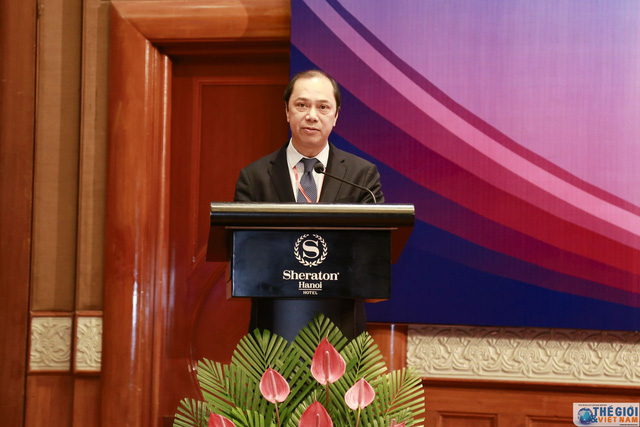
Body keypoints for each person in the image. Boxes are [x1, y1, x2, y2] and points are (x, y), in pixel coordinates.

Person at [234, 69, 384, 340]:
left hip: (342, 333)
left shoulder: (362, 177)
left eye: (323, 107)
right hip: (272, 335)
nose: (312, 115)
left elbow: (371, 259)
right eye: (302, 105)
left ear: (336, 116)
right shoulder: (254, 177)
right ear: (287, 111)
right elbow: (244, 260)